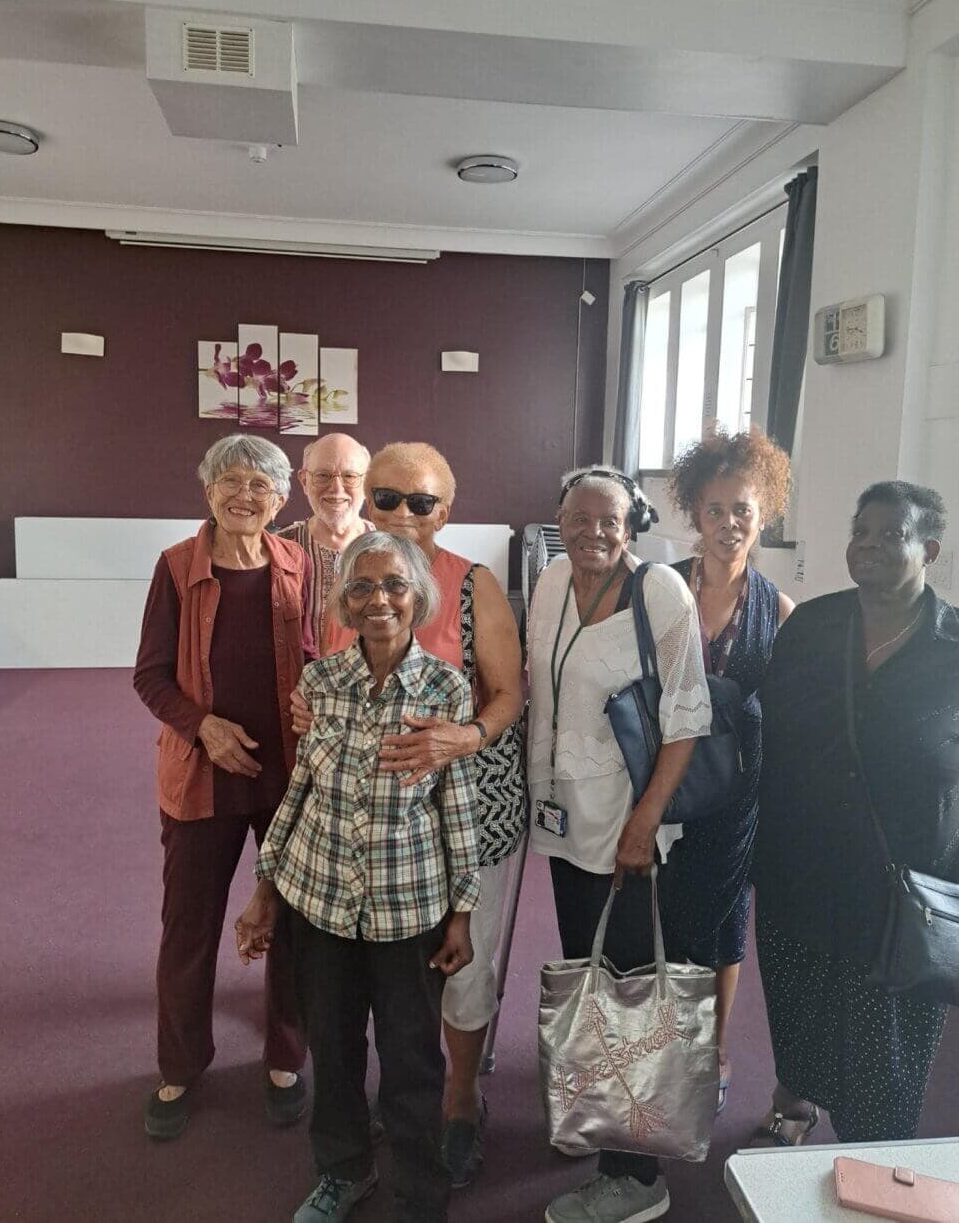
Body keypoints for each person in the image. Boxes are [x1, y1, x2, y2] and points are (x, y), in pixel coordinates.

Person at [296, 440, 526, 1188]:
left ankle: (460, 1100)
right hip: (371, 829)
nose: (402, 513)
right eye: (387, 498)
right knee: (381, 980)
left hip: (467, 811)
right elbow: (333, 674)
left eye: (420, 502)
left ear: (445, 512)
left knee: (461, 968)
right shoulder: (356, 577)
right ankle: (376, 1116)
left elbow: (509, 692)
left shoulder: (474, 584)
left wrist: (467, 734)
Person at [235, 531, 481, 1223]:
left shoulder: (444, 688)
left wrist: (462, 911)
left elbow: (456, 808)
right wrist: (265, 891)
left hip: (409, 914)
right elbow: (301, 792)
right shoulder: (319, 684)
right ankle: (342, 1172)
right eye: (363, 588)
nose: (380, 601)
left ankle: (418, 1191)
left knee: (411, 1062)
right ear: (343, 601)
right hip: (321, 907)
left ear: (418, 596)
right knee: (334, 1052)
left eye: (395, 586)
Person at [528, 466, 712, 1223]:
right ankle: (598, 1109)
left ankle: (635, 1177)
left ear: (631, 524)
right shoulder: (549, 584)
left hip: (628, 831)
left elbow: (687, 716)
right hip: (565, 824)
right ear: (560, 520)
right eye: (579, 518)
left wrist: (645, 823)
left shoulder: (660, 592)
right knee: (590, 978)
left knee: (630, 994)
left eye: (610, 521)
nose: (594, 532)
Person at [752, 480, 959, 1149]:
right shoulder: (812, 626)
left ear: (928, 548)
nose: (867, 545)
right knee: (799, 1008)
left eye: (889, 534)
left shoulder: (953, 648)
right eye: (860, 531)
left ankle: (869, 1162)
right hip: (800, 870)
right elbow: (772, 733)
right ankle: (795, 1100)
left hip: (898, 885)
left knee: (885, 1048)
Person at [133, 434, 312, 1140]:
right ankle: (180, 1064)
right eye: (230, 482)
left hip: (285, 775)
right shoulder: (177, 568)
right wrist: (203, 727)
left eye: (260, 485)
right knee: (189, 927)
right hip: (200, 777)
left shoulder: (297, 561)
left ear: (280, 497)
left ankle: (285, 1057)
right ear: (208, 491)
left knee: (294, 923)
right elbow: (149, 674)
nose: (245, 496)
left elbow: (312, 657)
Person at [663, 426, 794, 1112]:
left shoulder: (781, 612)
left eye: (742, 509)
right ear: (695, 513)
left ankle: (711, 1047)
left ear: (763, 512)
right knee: (660, 914)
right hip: (661, 786)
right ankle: (668, 1037)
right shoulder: (661, 592)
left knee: (722, 921)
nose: (729, 523)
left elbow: (790, 719)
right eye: (715, 510)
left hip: (736, 795)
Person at [278, 432, 374, 652]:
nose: (337, 489)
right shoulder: (277, 548)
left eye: (350, 476)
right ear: (304, 481)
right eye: (323, 475)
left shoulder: (391, 550)